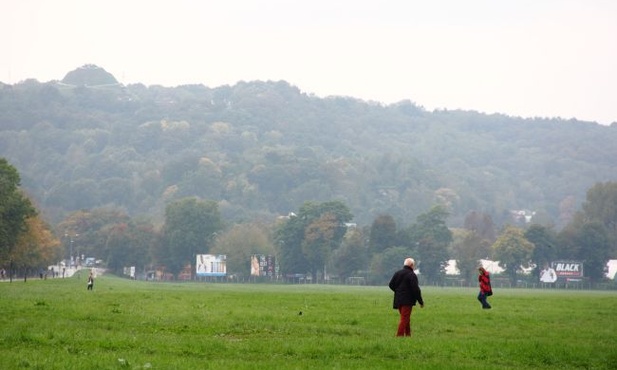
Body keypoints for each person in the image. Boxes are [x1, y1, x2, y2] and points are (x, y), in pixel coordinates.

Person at [389, 257, 424, 337]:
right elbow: (416, 289)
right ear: (411, 265)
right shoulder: (412, 275)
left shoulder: (397, 273)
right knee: (404, 319)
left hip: (398, 300)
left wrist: (398, 292)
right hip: (407, 301)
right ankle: (399, 336)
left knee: (406, 318)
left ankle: (408, 335)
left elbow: (391, 285)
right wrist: (420, 301)